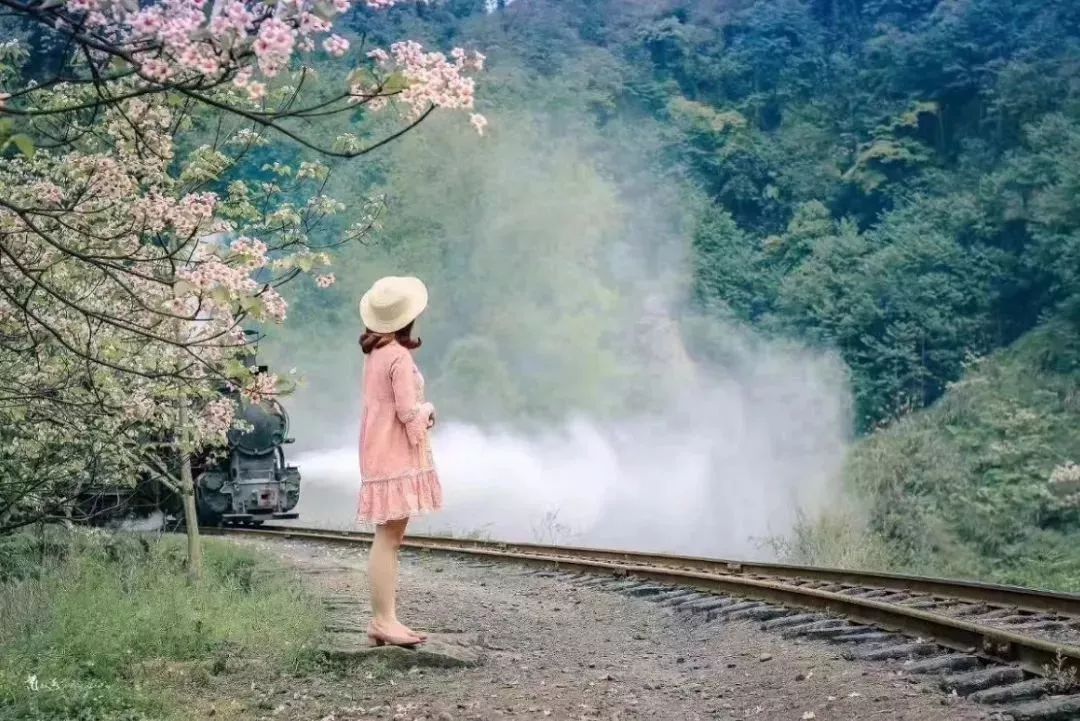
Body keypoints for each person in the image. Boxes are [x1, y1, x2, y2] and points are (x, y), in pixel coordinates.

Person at [357, 276, 443, 647]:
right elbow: (409, 414)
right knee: (389, 538)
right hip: (394, 453)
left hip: (378, 449)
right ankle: (382, 620)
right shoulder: (398, 356)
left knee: (388, 537)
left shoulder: (377, 354)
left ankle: (386, 618)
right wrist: (429, 410)